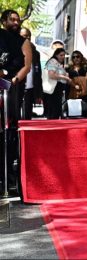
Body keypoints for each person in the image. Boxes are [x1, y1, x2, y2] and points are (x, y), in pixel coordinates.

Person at [0, 10, 32, 195]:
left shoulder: (23, 42)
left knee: (10, 127)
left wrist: (14, 80)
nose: (15, 22)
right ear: (4, 21)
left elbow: (26, 66)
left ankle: (10, 175)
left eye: (17, 19)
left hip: (12, 86)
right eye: (11, 19)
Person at [20, 27, 43, 120]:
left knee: (27, 115)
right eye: (24, 36)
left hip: (30, 88)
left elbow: (38, 73)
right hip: (17, 86)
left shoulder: (35, 53)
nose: (27, 38)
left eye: (29, 36)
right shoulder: (14, 49)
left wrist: (38, 94)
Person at [44, 48, 71, 119]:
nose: (63, 57)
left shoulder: (58, 63)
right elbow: (51, 75)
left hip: (57, 89)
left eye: (64, 55)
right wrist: (65, 77)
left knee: (56, 110)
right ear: (56, 55)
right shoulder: (53, 62)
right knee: (54, 110)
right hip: (54, 89)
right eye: (61, 55)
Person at [66, 50, 87, 116]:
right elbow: (67, 79)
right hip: (71, 92)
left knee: (85, 112)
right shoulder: (68, 68)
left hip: (85, 93)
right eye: (73, 57)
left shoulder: (86, 66)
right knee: (72, 112)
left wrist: (74, 80)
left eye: (77, 56)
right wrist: (75, 83)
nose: (76, 58)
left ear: (81, 57)